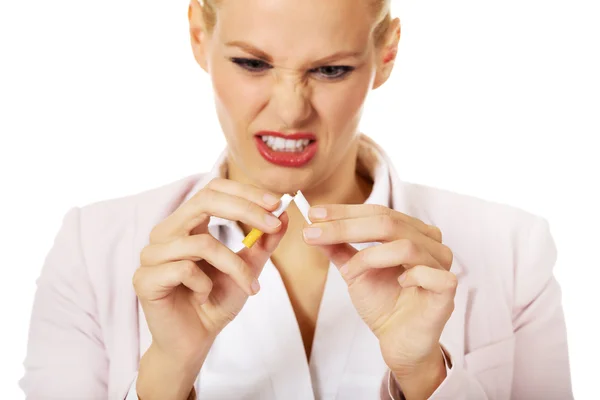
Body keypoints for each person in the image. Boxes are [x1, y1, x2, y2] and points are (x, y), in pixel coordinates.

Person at [20, 0, 573, 399]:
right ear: (197, 34)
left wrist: (426, 376)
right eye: (253, 64)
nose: (290, 111)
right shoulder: (91, 249)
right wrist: (168, 370)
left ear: (386, 53)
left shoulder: (514, 249)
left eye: (331, 69)